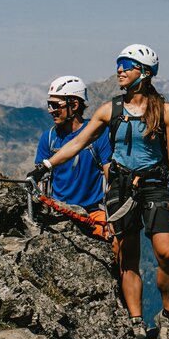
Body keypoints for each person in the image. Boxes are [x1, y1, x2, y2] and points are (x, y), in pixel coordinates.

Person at [28, 44, 169, 339]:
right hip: (122, 188)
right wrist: (46, 166)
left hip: (154, 185)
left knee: (167, 253)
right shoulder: (109, 110)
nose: (119, 71)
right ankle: (136, 321)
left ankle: (168, 318)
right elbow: (77, 144)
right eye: (119, 65)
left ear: (144, 72)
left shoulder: (166, 112)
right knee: (127, 256)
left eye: (127, 66)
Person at [32, 76, 111, 239]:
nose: (50, 110)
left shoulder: (99, 135)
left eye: (55, 105)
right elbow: (41, 180)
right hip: (58, 211)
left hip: (94, 213)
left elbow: (111, 176)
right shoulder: (48, 138)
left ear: (74, 105)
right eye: (49, 104)